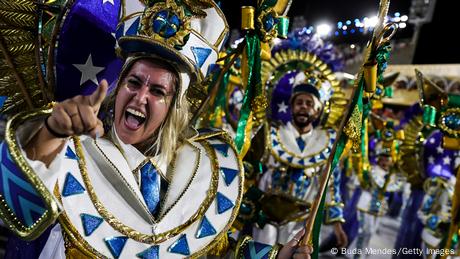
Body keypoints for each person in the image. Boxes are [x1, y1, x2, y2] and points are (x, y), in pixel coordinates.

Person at [0, 0, 311, 258]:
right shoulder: (71, 152)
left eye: (158, 92)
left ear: (175, 107)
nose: (140, 96)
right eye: (133, 83)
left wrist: (274, 256)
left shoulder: (202, 171)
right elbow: (20, 207)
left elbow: (210, 252)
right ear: (117, 89)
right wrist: (51, 131)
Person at [254, 79, 348, 249]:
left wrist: (337, 226)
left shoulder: (327, 143)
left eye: (309, 103)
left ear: (318, 111)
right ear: (291, 107)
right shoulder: (271, 134)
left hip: (301, 220)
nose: (303, 107)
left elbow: (331, 186)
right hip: (265, 216)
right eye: (299, 102)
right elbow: (251, 170)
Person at [348, 146, 404, 259]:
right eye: (383, 158)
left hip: (379, 207)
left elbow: (394, 187)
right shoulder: (371, 170)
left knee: (371, 232)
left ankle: (362, 253)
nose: (385, 162)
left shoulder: (392, 176)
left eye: (388, 159)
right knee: (364, 231)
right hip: (365, 204)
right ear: (379, 159)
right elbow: (361, 182)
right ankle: (357, 255)